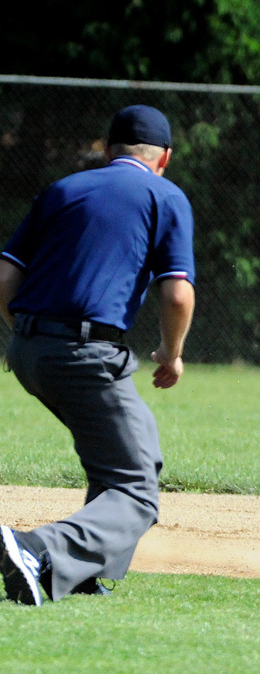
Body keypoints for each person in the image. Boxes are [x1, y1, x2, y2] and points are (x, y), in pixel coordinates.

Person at [0, 105, 196, 604]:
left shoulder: (63, 189)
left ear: (108, 151)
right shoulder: (164, 195)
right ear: (165, 157)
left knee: (133, 457)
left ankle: (78, 574)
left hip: (27, 346)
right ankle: (38, 550)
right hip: (84, 351)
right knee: (136, 489)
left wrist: (27, 334)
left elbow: (5, 277)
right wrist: (172, 354)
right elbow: (176, 294)